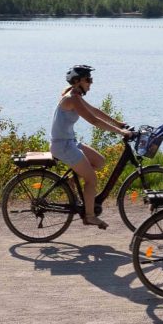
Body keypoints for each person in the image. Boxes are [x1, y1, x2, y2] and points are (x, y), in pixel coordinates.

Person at [50, 65, 132, 229]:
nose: (91, 83)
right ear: (77, 81)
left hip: (69, 142)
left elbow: (94, 111)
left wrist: (118, 123)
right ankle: (89, 216)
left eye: (91, 79)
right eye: (88, 79)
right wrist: (119, 132)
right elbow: (93, 120)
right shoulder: (71, 99)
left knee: (100, 161)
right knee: (92, 179)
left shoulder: (75, 95)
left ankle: (71, 182)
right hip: (63, 146)